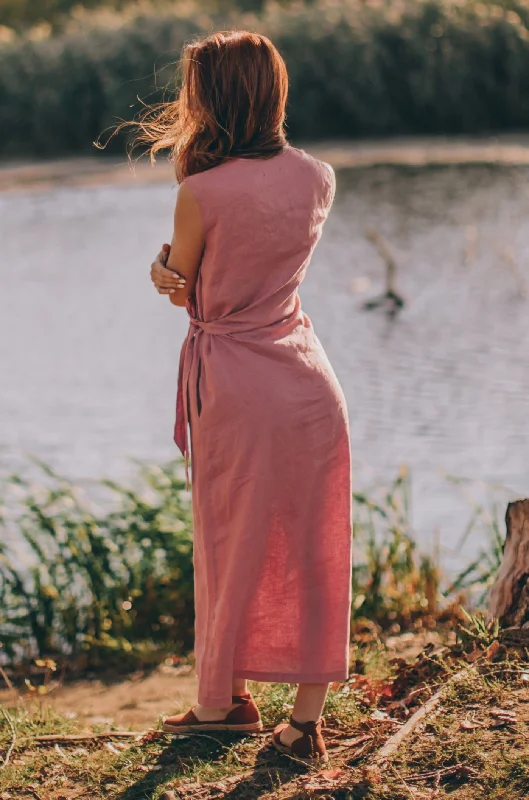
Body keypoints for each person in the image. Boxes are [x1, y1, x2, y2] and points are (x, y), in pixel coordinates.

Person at [146, 30, 352, 762]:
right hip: (306, 378)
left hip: (235, 384)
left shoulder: (198, 192)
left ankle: (219, 701)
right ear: (270, 91)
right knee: (312, 544)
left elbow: (186, 292)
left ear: (213, 98)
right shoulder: (318, 176)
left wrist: (160, 273)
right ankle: (302, 722)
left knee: (227, 537)